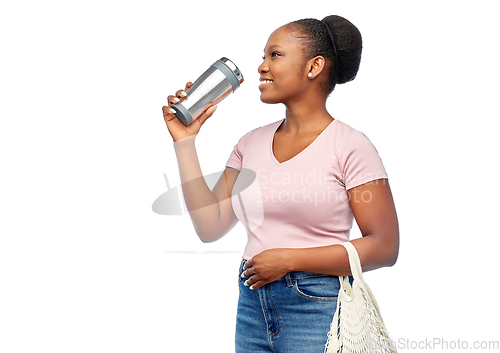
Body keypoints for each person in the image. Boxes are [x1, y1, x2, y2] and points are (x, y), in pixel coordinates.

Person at [162, 15, 399, 353]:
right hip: (252, 304)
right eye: (263, 56)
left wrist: (289, 259)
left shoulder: (350, 145)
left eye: (274, 55)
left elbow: (384, 247)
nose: (261, 67)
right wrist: (185, 142)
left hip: (317, 305)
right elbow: (209, 225)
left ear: (314, 66)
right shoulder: (249, 144)